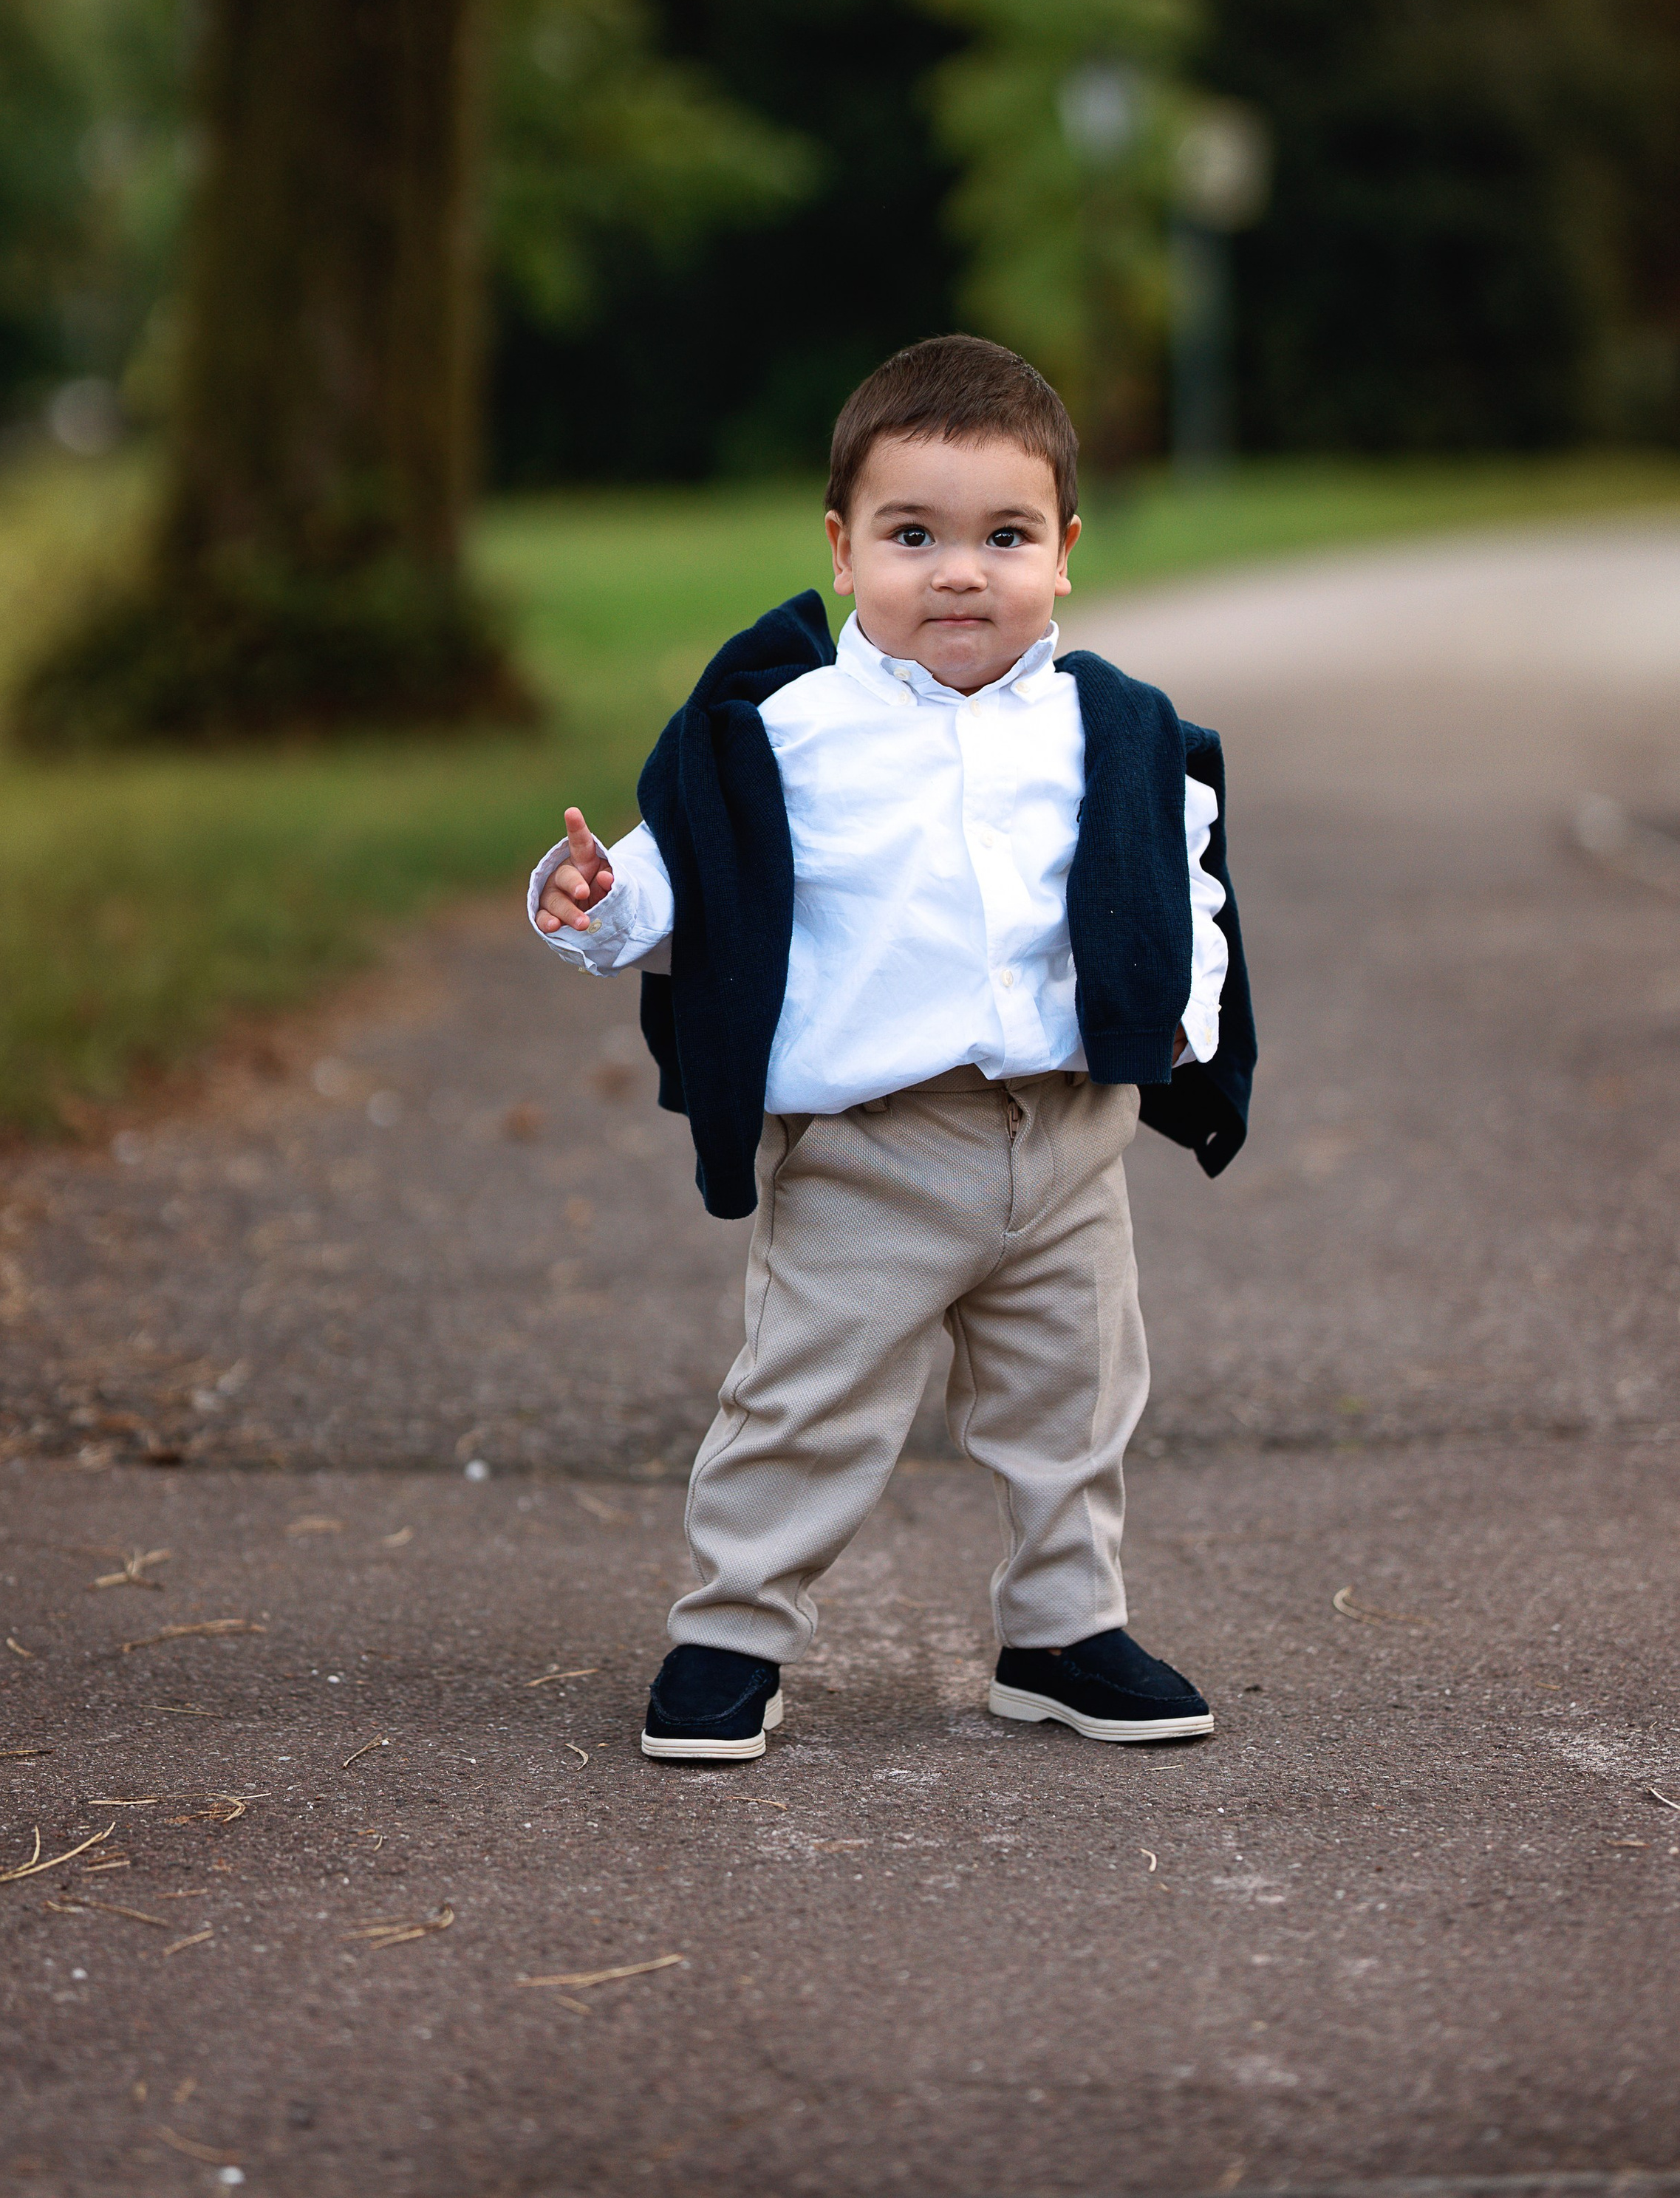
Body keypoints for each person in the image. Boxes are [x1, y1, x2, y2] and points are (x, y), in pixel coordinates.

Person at [527, 335, 1256, 1764]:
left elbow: (1191, 884)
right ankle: (733, 1630)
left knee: (1078, 1396)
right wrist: (601, 904)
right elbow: (688, 874)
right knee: (806, 1397)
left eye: (1006, 535)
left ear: (1066, 553)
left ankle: (1062, 1627)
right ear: (843, 547)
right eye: (913, 535)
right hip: (872, 1147)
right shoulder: (790, 735)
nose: (962, 572)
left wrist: (1186, 1005)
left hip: (1066, 1134)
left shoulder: (1113, 731)